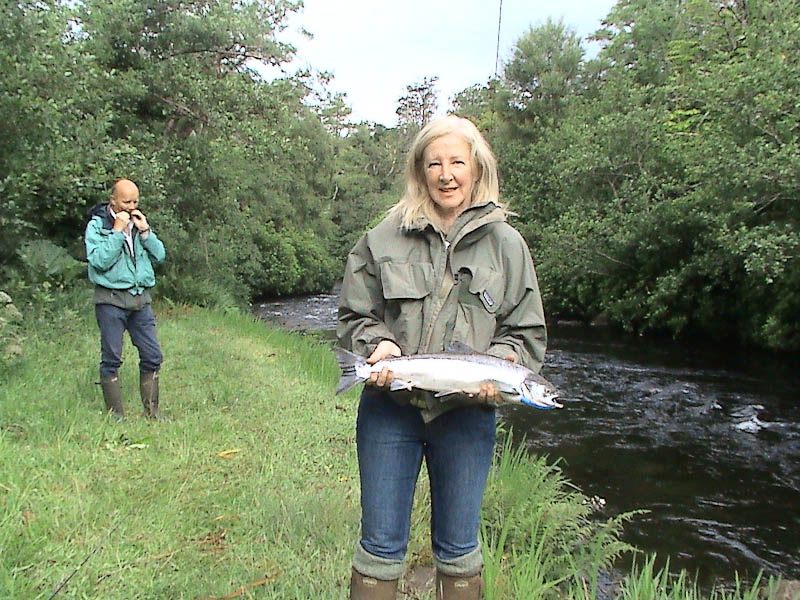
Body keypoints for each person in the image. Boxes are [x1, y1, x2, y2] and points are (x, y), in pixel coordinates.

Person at [337, 115, 547, 600]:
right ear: (419, 170)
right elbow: (354, 311)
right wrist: (377, 346)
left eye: (457, 161)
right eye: (434, 163)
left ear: (477, 169)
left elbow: (525, 330)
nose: (446, 174)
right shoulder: (384, 236)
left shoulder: (508, 245)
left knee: (459, 548)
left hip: (468, 417)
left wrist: (501, 364)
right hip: (390, 413)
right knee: (380, 546)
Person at [85, 178, 166, 420]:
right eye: (126, 201)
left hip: (140, 300)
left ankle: (153, 413)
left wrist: (146, 232)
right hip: (110, 300)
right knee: (111, 358)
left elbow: (160, 256)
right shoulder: (97, 226)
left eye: (135, 201)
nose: (131, 206)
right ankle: (116, 416)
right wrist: (117, 232)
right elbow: (99, 261)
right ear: (112, 200)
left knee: (152, 355)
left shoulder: (138, 222)